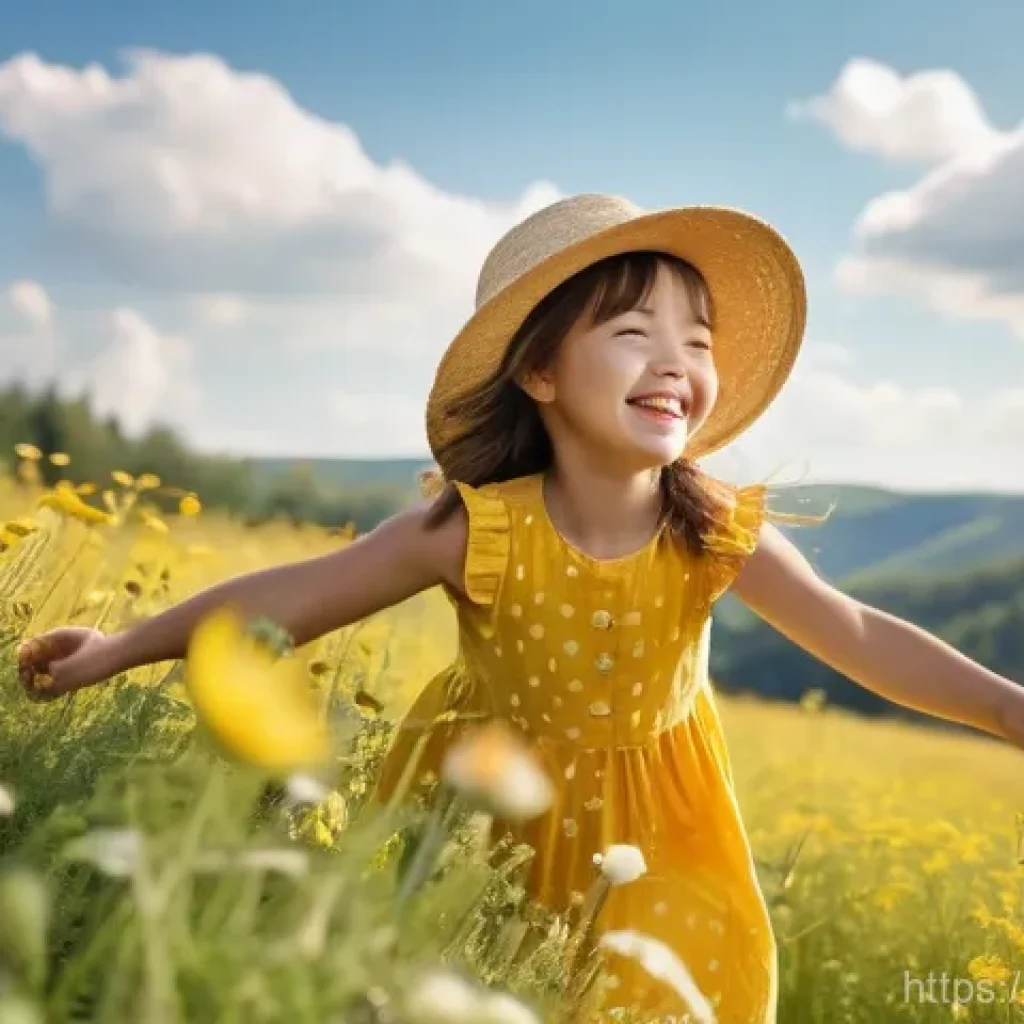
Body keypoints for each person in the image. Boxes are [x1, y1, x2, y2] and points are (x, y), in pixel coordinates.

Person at [16, 194, 1024, 1023]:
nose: (675, 360)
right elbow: (290, 601)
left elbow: (853, 633)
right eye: (634, 333)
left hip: (664, 836)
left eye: (696, 339)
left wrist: (1002, 707)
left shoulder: (714, 529)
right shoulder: (476, 528)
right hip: (472, 816)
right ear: (539, 371)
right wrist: (119, 647)